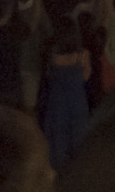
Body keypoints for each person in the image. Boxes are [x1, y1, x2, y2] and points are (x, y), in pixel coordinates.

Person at [35, 18, 90, 170]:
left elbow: (47, 76)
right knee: (78, 139)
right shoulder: (83, 55)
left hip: (57, 102)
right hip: (77, 102)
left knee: (57, 139)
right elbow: (86, 77)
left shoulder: (52, 55)